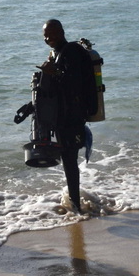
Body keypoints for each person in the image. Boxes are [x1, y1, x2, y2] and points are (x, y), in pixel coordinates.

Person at [38, 19, 98, 214]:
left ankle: (76, 206)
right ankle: (75, 202)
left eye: (52, 34)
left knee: (70, 160)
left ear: (61, 32)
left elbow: (74, 82)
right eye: (45, 35)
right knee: (68, 159)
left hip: (72, 116)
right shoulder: (60, 53)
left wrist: (52, 71)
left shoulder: (71, 51)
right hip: (65, 116)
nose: (48, 38)